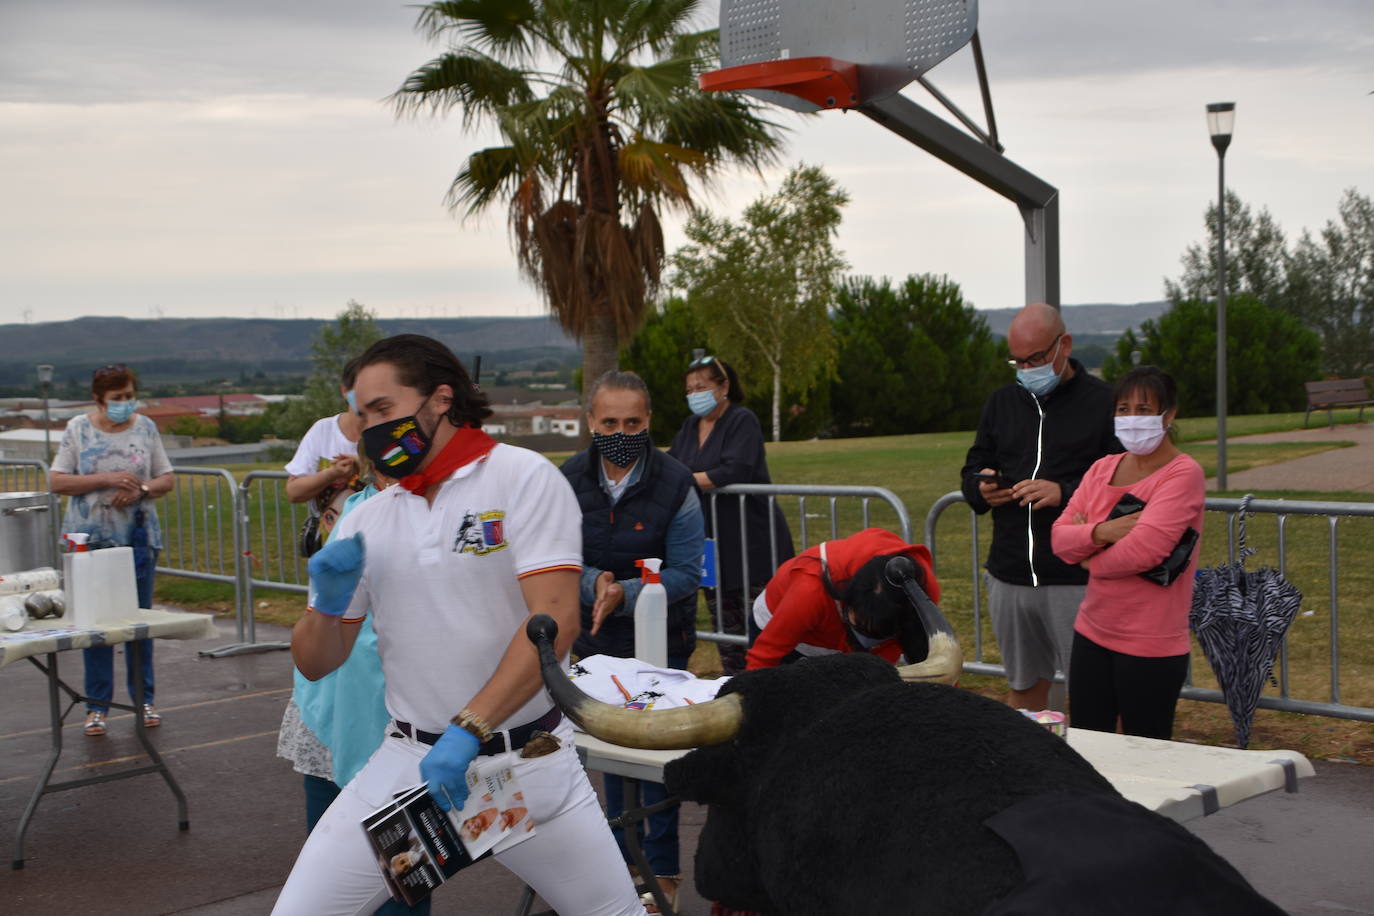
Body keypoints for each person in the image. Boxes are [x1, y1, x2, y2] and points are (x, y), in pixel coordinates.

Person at [275, 334, 643, 916]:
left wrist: (468, 729)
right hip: (410, 765)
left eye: (384, 410)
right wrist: (326, 602)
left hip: (526, 765)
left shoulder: (521, 478)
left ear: (440, 398)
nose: (370, 429)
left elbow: (556, 622)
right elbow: (316, 661)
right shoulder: (365, 518)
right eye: (362, 413)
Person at [560, 370, 704, 912]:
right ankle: (621, 866)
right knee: (607, 754)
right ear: (591, 422)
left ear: (649, 422)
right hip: (594, 640)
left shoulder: (676, 482)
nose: (621, 431)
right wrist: (590, 581)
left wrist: (624, 589)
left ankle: (662, 869)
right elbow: (559, 555)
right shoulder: (568, 479)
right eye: (610, 422)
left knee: (658, 761)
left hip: (662, 640)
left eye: (633, 422)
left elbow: (689, 570)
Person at [959, 303, 1120, 710]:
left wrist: (1064, 492)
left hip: (1076, 579)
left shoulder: (1105, 402)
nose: (1027, 368)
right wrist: (982, 488)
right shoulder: (1001, 403)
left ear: (1064, 345)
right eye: (1018, 360)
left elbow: (1123, 481)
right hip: (1010, 572)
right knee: (1025, 691)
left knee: (1096, 697)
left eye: (1035, 358)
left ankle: (1108, 772)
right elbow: (974, 465)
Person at [1051, 366, 1205, 740]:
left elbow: (1144, 551)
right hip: (1093, 633)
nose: (1132, 419)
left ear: (1169, 415)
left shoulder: (1182, 475)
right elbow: (1059, 539)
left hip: (1150, 644)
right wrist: (1104, 531)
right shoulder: (1102, 468)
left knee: (1145, 753)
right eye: (1123, 409)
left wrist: (1088, 554)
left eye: (1143, 409)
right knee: (1091, 747)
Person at [49, 364, 176, 736]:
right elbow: (57, 480)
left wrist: (143, 490)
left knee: (138, 623)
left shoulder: (145, 428)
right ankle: (97, 706)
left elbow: (165, 477)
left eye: (130, 396)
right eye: (117, 398)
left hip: (136, 538)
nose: (125, 404)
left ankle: (144, 700)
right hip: (88, 538)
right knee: (96, 626)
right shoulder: (78, 429)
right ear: (99, 399)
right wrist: (105, 479)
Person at [668, 353, 793, 675]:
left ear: (723, 387)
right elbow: (672, 464)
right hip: (709, 542)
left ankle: (769, 683)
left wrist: (685, 480)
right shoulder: (690, 426)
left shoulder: (742, 420)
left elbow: (734, 469)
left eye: (701, 386)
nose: (695, 394)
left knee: (762, 622)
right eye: (689, 389)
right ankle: (734, 683)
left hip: (751, 539)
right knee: (725, 626)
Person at [746, 528, 940, 670]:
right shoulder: (810, 589)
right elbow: (765, 656)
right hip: (791, 641)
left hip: (857, 646)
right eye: (857, 623)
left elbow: (931, 659)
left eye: (873, 632)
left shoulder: (920, 590)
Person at [284, 358, 364, 518]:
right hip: (328, 537)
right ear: (345, 391)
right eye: (361, 388)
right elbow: (294, 492)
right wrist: (331, 474)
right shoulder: (323, 430)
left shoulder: (390, 431)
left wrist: (363, 464)